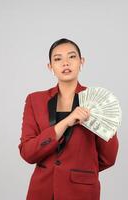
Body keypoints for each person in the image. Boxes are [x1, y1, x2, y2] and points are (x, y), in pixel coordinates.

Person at [18, 38, 119, 200]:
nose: (65, 63)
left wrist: (80, 170)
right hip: (42, 191)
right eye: (58, 59)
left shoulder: (97, 101)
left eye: (72, 57)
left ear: (81, 62)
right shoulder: (34, 100)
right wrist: (66, 122)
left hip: (81, 192)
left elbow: (108, 157)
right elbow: (28, 152)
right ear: (50, 67)